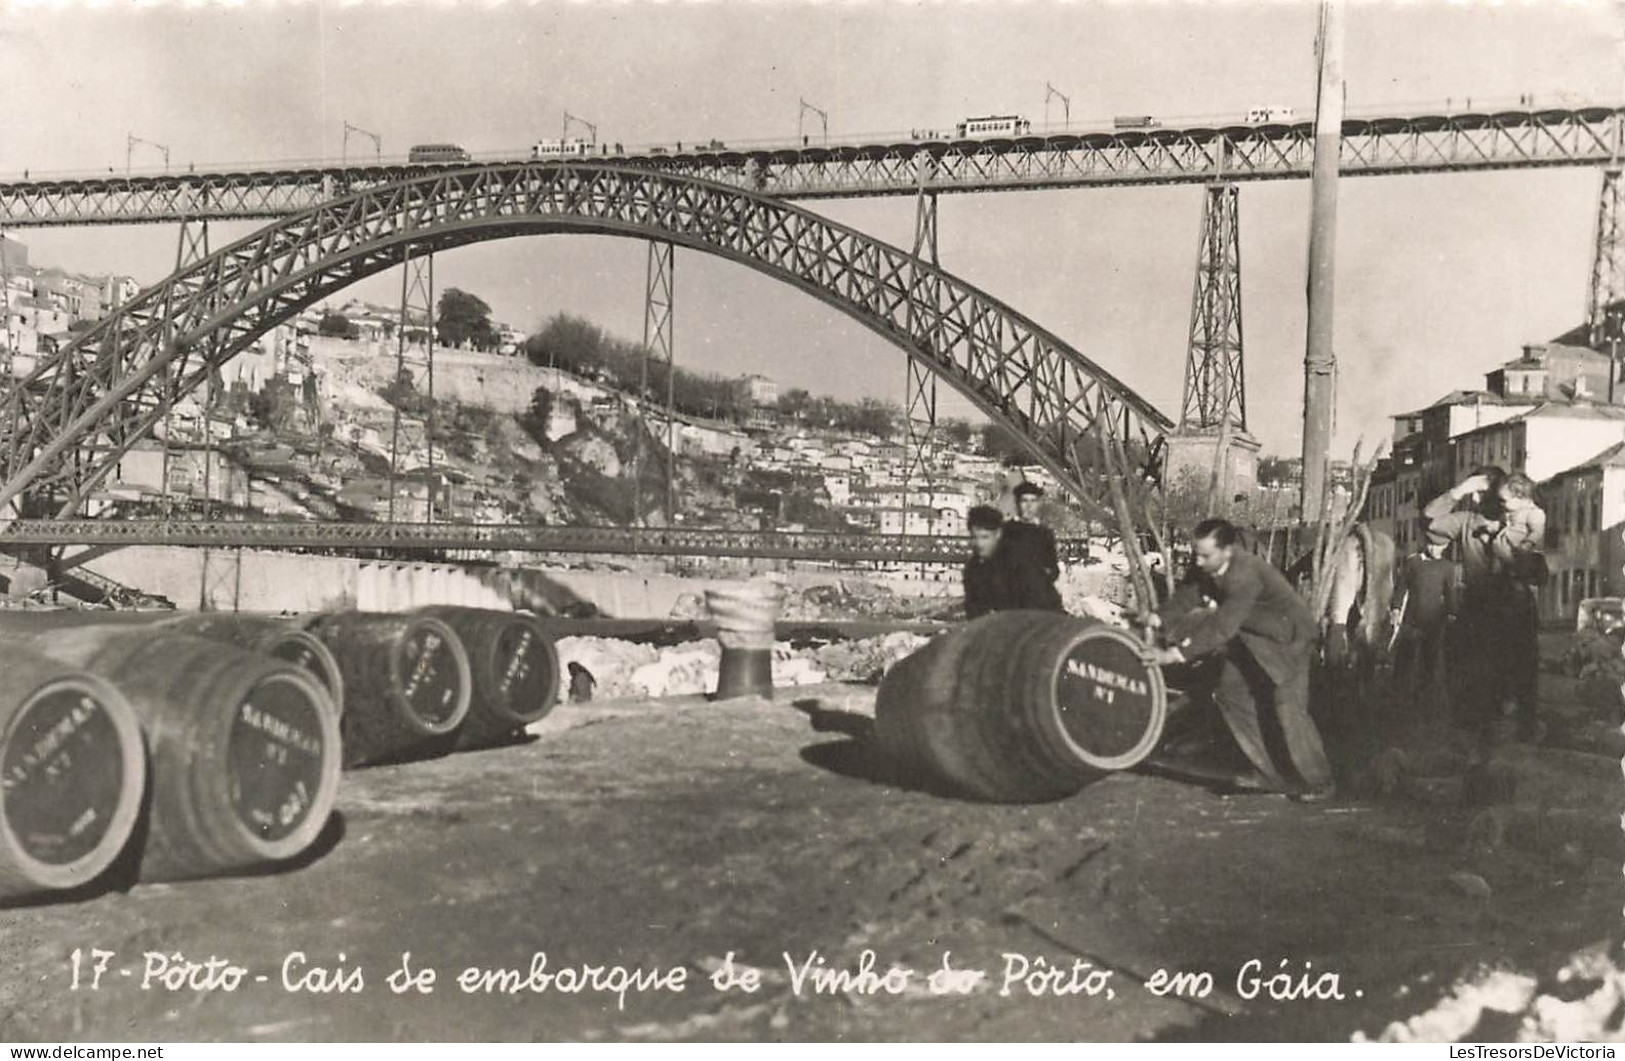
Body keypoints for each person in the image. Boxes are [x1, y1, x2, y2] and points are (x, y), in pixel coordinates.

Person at [1143, 518, 1335, 801]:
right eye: (1196, 553)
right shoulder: (1208, 568)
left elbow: (1222, 626)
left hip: (1287, 640)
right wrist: (1158, 616)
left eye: (1205, 555)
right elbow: (1188, 596)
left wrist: (1175, 654)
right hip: (1252, 637)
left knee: (1288, 708)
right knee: (1231, 694)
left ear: (1227, 551)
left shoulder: (1244, 574)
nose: (1197, 561)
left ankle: (1321, 782)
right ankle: (1271, 775)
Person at [1423, 469, 1548, 739]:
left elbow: (1536, 566)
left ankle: (1517, 728)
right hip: (1483, 608)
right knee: (1480, 672)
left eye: (1483, 491)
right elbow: (1430, 521)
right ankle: (1487, 730)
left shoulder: (1521, 519)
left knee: (1518, 672)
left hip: (1512, 606)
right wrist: (1458, 491)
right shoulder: (1467, 522)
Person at [1389, 537, 1461, 716]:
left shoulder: (1447, 567)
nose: (1434, 548)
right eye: (1431, 543)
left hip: (1434, 620)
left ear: (1445, 546)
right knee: (1404, 657)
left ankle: (1423, 697)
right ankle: (1397, 695)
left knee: (1429, 659)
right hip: (1412, 619)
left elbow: (1450, 593)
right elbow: (1401, 588)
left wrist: (1452, 613)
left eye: (1439, 545)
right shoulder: (1413, 563)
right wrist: (1396, 609)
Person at [962, 505, 1063, 619]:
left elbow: (1039, 602)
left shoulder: (1018, 562)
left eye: (985, 537)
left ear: (998, 534)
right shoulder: (972, 569)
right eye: (975, 537)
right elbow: (974, 611)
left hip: (1042, 623)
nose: (979, 544)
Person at [1004, 481, 1061, 584]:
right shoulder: (1006, 530)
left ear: (1038, 504)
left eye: (1033, 501)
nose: (1029, 506)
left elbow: (1054, 570)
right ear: (1018, 504)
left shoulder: (1045, 534)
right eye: (1024, 501)